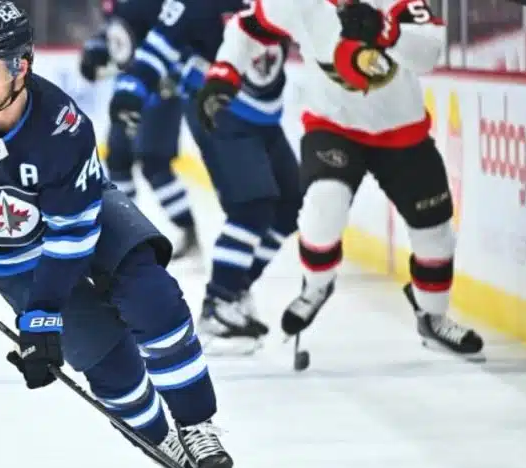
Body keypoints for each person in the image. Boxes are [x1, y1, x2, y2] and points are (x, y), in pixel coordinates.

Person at [0, 0, 232, 468]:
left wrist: (42, 313)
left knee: (151, 297)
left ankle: (195, 424)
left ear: (20, 67)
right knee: (103, 359)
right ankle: (159, 438)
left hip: (84, 217)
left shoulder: (62, 126)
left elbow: (72, 234)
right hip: (9, 253)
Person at [196, 0, 483, 357]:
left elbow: (428, 55)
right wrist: (223, 75)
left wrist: (387, 31)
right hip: (332, 126)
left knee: (435, 234)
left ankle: (433, 317)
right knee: (323, 205)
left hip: (403, 131)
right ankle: (316, 285)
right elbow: (246, 28)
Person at [108, 0, 302, 354]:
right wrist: (130, 93)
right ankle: (218, 306)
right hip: (216, 107)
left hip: (266, 113)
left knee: (291, 204)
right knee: (251, 207)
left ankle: (234, 288)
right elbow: (159, 44)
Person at [78, 0, 196, 258]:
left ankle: (188, 230)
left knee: (154, 162)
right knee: (118, 159)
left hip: (160, 91)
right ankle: (125, 231)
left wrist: (176, 74)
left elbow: (181, 31)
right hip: (129, 89)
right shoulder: (115, 4)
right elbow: (120, 32)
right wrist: (97, 49)